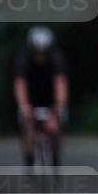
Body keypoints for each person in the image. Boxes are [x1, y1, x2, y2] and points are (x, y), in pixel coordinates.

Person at [14, 26, 68, 167]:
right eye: (37, 52)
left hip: (50, 100)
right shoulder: (23, 59)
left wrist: (58, 107)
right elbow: (20, 85)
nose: (40, 56)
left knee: (54, 129)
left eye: (44, 52)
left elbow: (60, 84)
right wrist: (24, 106)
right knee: (28, 128)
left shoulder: (57, 59)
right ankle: (29, 159)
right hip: (30, 99)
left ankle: (55, 158)